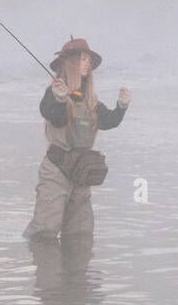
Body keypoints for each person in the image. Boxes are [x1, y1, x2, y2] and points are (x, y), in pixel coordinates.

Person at [23, 37, 131, 240]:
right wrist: (60, 99)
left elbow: (108, 121)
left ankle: (76, 270)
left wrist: (121, 107)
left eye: (89, 60)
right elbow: (54, 117)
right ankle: (40, 266)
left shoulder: (90, 98)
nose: (88, 63)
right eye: (83, 59)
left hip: (82, 173)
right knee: (44, 231)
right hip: (56, 169)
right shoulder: (53, 91)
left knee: (80, 234)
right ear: (70, 62)